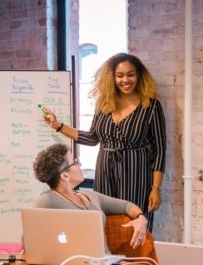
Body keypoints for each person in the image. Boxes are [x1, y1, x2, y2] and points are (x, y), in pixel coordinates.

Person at [42, 52, 167, 231]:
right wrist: (58, 125)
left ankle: (137, 259)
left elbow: (160, 150)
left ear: (139, 76)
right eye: (120, 75)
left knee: (135, 222)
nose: (126, 80)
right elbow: (92, 138)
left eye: (131, 74)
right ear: (112, 78)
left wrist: (156, 188)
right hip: (105, 171)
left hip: (136, 172)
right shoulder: (104, 104)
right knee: (105, 222)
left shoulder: (151, 106)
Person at [33, 143, 148, 252]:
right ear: (64, 176)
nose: (80, 165)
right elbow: (30, 242)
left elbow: (126, 205)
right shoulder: (47, 201)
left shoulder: (90, 195)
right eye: (75, 162)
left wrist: (140, 218)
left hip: (106, 264)